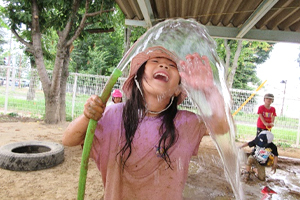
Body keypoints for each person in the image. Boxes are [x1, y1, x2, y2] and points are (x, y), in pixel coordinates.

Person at [62, 46, 230, 200]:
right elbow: (69, 140)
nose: (164, 66)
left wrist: (209, 89)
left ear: (178, 89)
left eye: (172, 66)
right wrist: (87, 116)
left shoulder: (187, 123)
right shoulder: (114, 115)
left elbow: (223, 127)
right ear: (139, 78)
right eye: (155, 61)